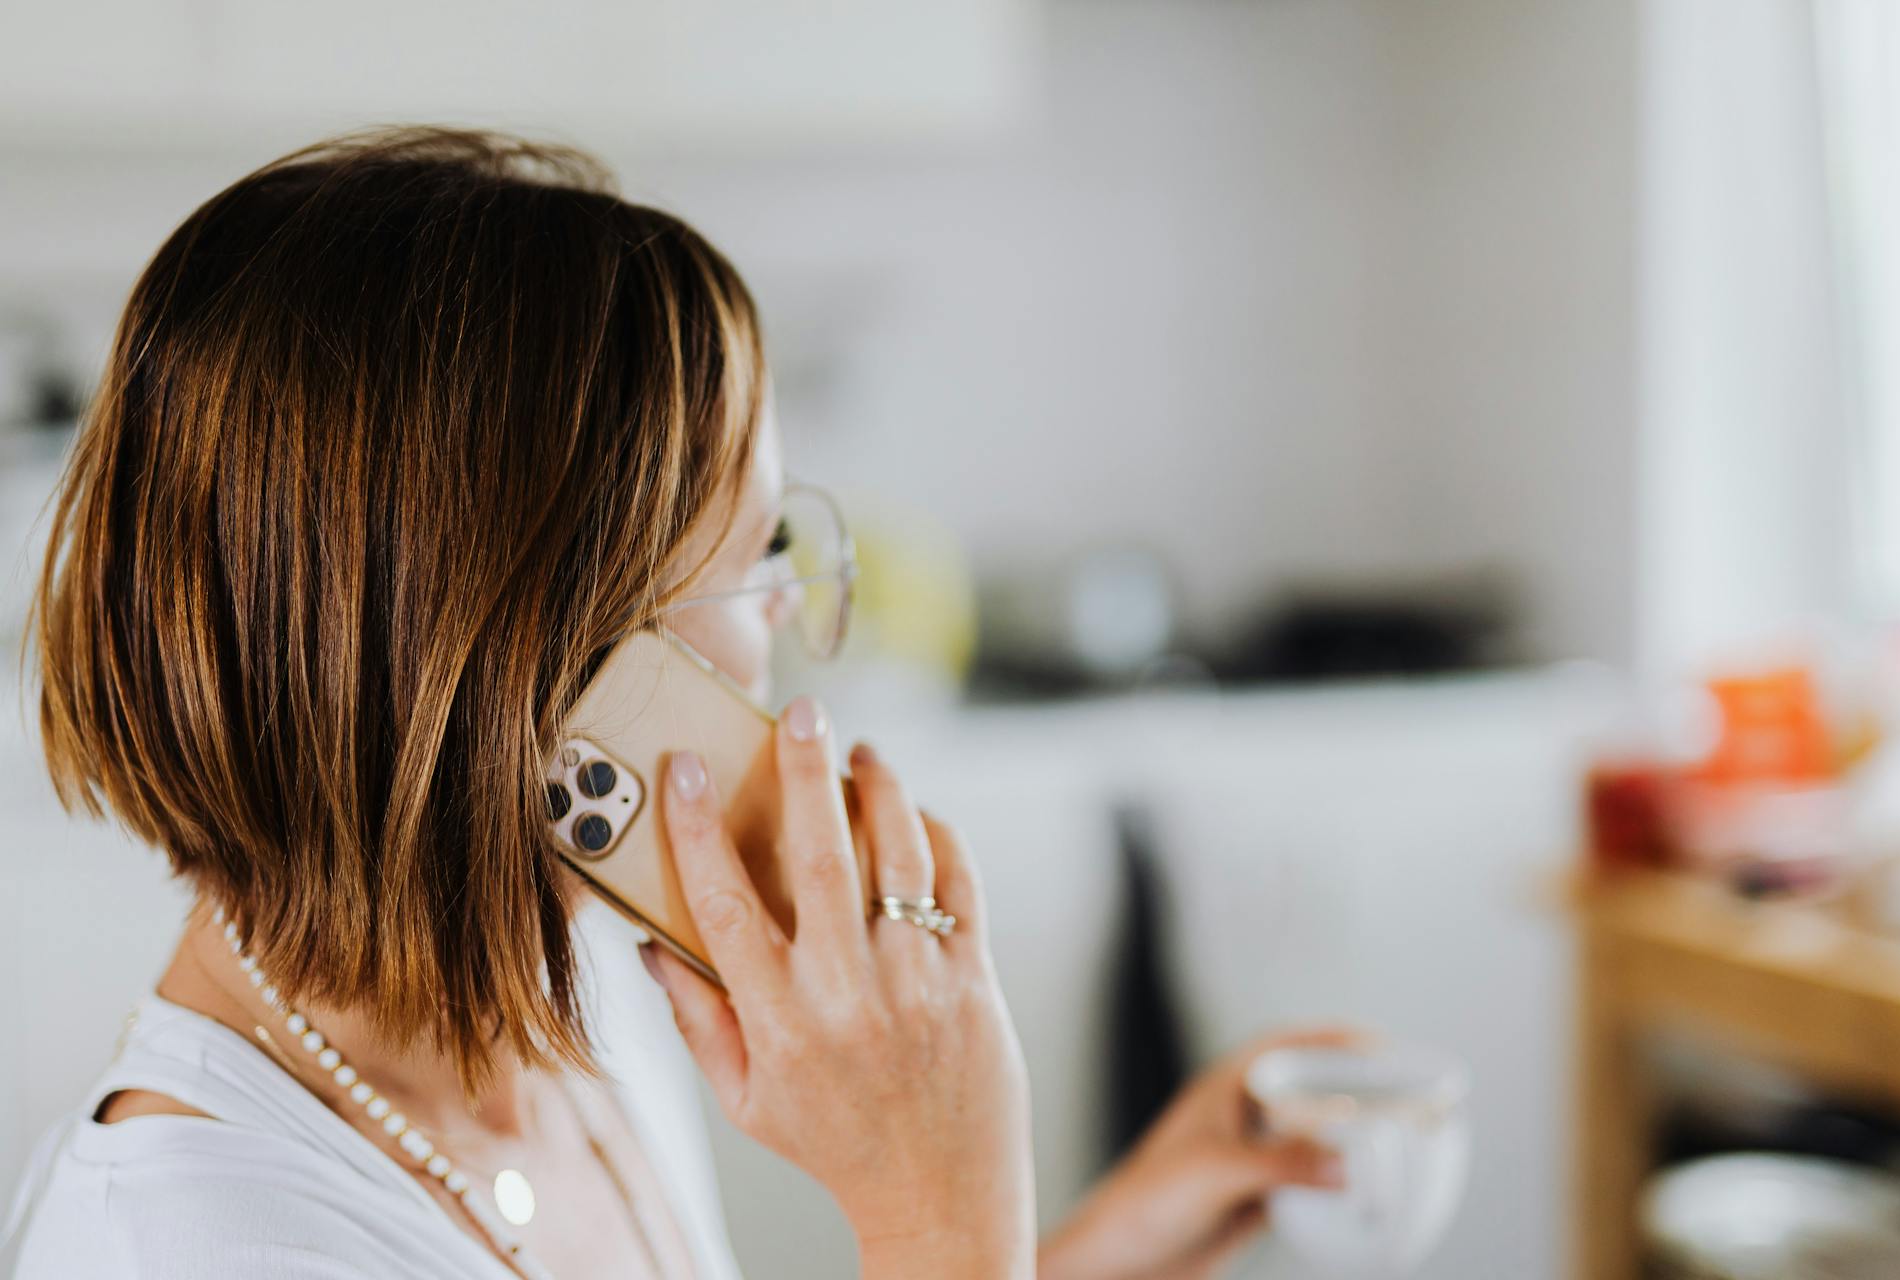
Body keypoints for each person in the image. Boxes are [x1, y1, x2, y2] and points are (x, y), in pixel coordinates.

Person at [6, 127, 1345, 1280]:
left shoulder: (565, 983)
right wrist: (940, 1207)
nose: (783, 624)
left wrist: (1095, 1242)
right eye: (756, 560)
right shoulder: (191, 1250)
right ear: (537, 671)